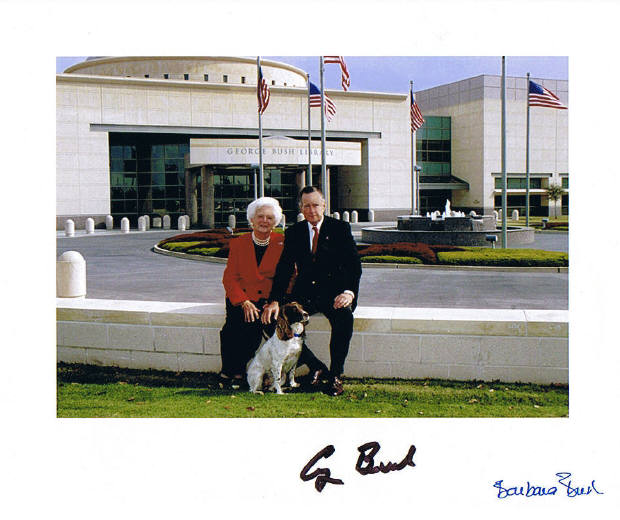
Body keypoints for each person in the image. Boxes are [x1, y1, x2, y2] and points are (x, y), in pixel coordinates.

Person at [262, 186, 362, 396]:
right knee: (272, 319)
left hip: (333, 294)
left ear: (324, 205)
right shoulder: (294, 232)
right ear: (301, 208)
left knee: (344, 319)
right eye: (306, 206)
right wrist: (275, 301)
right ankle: (315, 365)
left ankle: (335, 376)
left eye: (315, 204)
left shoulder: (340, 228)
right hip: (304, 295)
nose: (311, 210)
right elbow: (284, 269)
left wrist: (348, 293)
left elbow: (353, 265)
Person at [219, 197, 284, 381]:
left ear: (275, 222)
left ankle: (236, 371)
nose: (264, 221)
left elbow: (289, 277)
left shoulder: (282, 243)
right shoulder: (239, 243)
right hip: (242, 297)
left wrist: (273, 301)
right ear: (252, 220)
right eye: (260, 216)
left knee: (253, 330)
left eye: (269, 218)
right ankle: (229, 369)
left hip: (267, 300)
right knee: (230, 329)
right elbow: (230, 277)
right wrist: (243, 301)